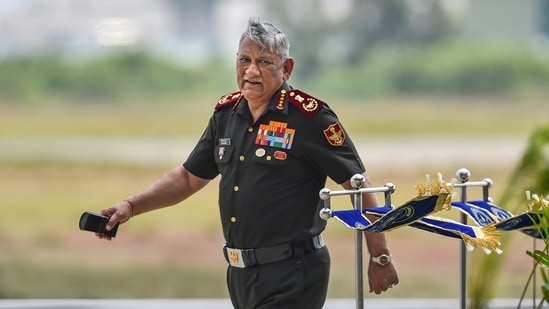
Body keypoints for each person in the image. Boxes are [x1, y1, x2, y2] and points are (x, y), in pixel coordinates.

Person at [96, 16, 399, 309]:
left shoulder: (310, 118)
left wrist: (379, 255)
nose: (251, 71)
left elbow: (359, 185)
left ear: (286, 68)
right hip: (240, 274)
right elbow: (188, 178)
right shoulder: (227, 115)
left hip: (292, 273)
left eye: (264, 62)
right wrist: (130, 206)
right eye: (244, 60)